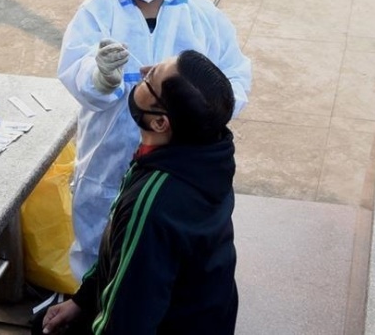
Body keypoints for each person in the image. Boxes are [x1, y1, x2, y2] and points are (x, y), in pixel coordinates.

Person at [57, 0, 252, 280]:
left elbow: (234, 78)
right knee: (100, 247)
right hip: (108, 161)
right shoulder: (98, 11)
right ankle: (94, 302)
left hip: (181, 165)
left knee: (168, 253)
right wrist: (99, 78)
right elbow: (74, 69)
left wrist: (202, 114)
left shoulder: (201, 14)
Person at [41, 50, 239, 335]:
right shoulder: (206, 159)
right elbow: (121, 257)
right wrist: (83, 301)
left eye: (150, 80)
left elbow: (127, 320)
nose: (143, 71)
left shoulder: (152, 202)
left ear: (160, 123)